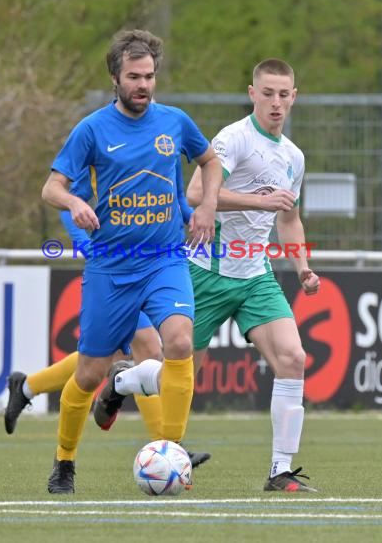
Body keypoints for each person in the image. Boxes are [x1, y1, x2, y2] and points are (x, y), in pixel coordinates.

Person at [95, 58, 320, 493]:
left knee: (293, 359)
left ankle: (280, 471)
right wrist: (260, 202)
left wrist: (303, 267)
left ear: (294, 97)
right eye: (267, 93)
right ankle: (123, 380)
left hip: (256, 276)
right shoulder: (234, 140)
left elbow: (289, 219)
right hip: (205, 272)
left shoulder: (294, 156)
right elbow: (196, 194)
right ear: (253, 94)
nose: (276, 102)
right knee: (179, 377)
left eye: (284, 94)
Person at [40, 29, 222, 493]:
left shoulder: (176, 122)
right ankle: (64, 462)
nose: (144, 84)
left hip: (164, 258)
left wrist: (205, 207)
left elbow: (210, 162)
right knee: (88, 373)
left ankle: (173, 451)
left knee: (179, 341)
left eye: (150, 76)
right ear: (115, 79)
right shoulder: (92, 129)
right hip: (112, 268)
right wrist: (73, 204)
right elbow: (51, 187)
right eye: (134, 77)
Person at [4, 163, 210, 468]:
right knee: (142, 352)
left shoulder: (146, 152)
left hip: (150, 267)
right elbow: (68, 205)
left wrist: (190, 218)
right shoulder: (98, 151)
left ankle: (26, 387)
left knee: (109, 357)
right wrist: (95, 250)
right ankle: (167, 449)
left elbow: (169, 199)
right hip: (114, 274)